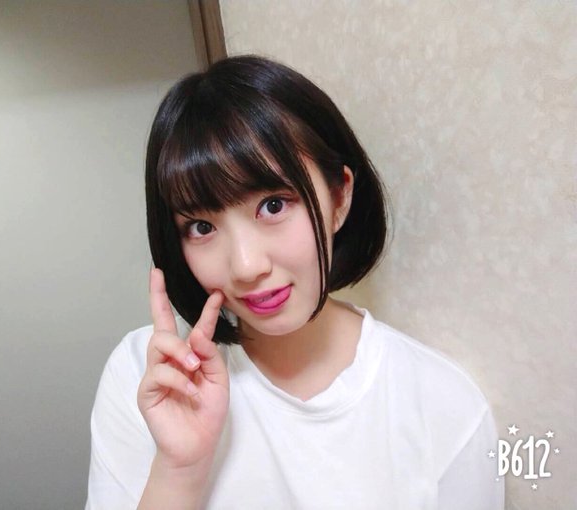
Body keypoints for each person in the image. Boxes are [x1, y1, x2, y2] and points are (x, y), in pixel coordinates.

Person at [85, 55, 504, 510]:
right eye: (202, 227)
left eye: (273, 205)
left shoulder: (445, 407)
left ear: (339, 197)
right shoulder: (147, 380)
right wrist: (179, 473)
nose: (246, 266)